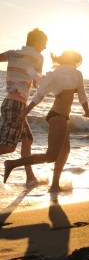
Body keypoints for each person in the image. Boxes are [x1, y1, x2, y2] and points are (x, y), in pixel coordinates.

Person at [3, 50, 89, 191]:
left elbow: (39, 95)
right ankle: (12, 164)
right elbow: (82, 94)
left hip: (56, 116)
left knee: (65, 150)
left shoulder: (57, 74)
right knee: (51, 156)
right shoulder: (76, 74)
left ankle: (55, 185)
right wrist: (87, 111)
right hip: (59, 117)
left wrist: (25, 112)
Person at [0, 28, 48, 187]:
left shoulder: (13, 53)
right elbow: (36, 81)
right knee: (8, 147)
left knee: (27, 141)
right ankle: (29, 177)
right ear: (37, 42)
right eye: (44, 43)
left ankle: (30, 178)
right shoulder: (39, 57)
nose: (45, 47)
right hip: (16, 104)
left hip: (11, 103)